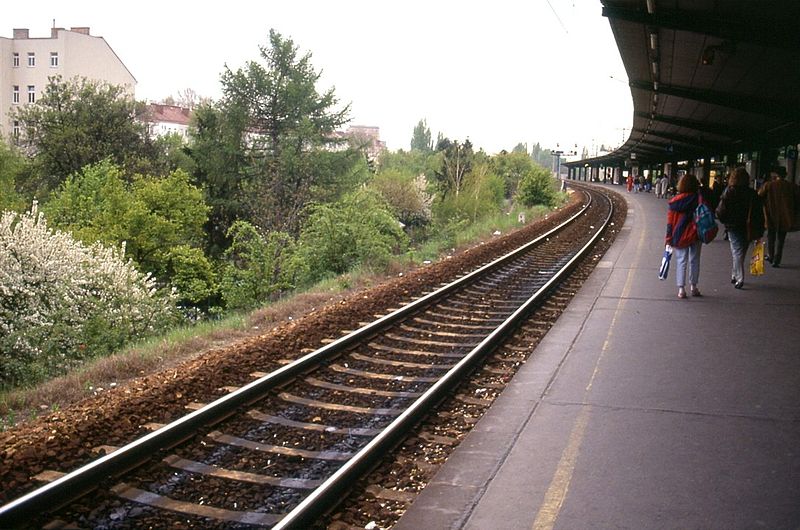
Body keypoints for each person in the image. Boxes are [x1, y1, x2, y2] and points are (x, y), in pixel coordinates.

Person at [715, 166, 764, 289]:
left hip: (733, 226)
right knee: (741, 252)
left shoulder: (729, 191)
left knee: (736, 252)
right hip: (748, 227)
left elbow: (720, 211)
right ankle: (734, 274)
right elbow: (759, 212)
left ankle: (739, 278)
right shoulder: (752, 193)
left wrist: (725, 221)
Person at [665, 174, 703, 299]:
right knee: (694, 260)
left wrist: (668, 239)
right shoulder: (699, 199)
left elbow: (670, 223)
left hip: (679, 234)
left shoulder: (674, 202)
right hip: (695, 233)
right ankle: (694, 287)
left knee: (681, 260)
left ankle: (681, 289)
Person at [758, 166, 795, 267]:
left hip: (771, 216)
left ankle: (771, 256)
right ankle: (777, 260)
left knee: (771, 237)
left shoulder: (769, 185)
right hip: (785, 216)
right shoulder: (791, 186)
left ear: (775, 174)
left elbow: (759, 196)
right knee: (781, 239)